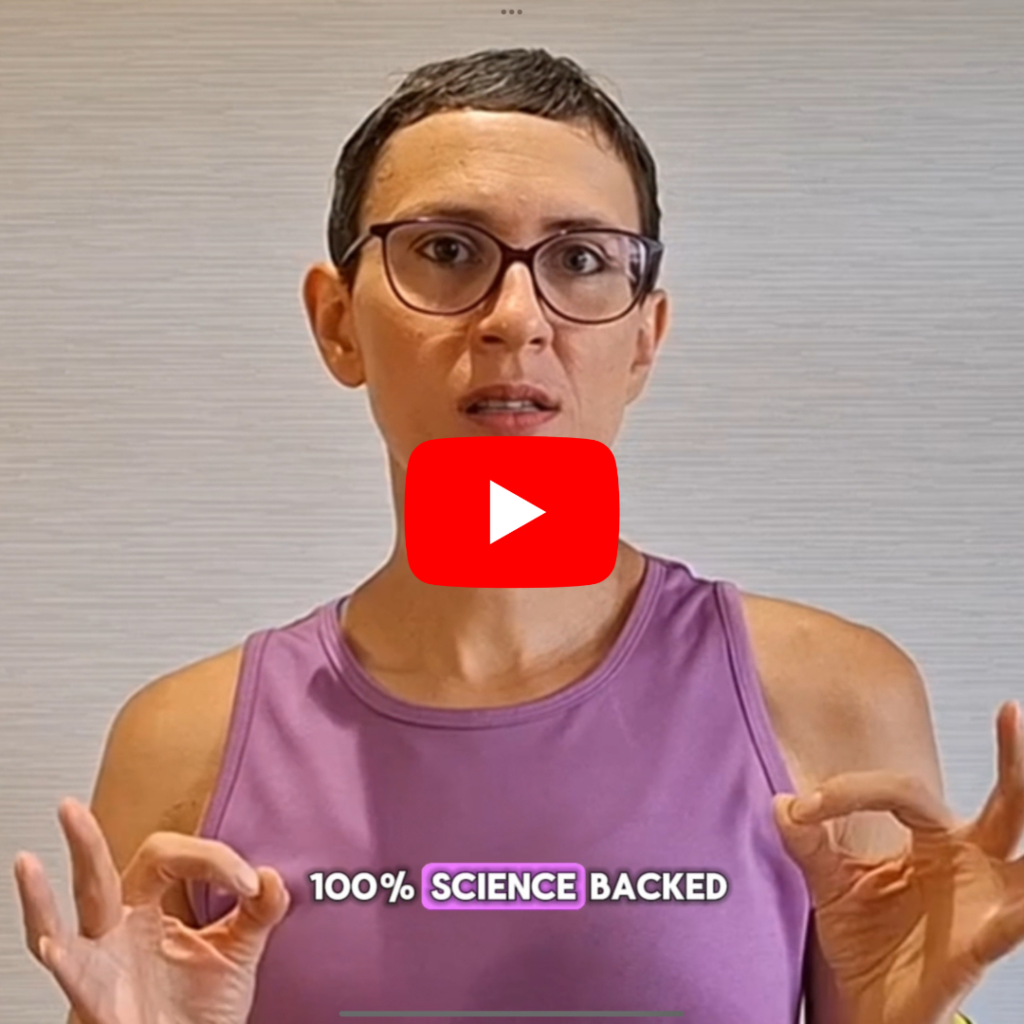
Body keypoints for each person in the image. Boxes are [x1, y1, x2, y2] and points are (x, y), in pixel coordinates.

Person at [12, 47, 1024, 1024]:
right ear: (337, 322)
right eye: (447, 251)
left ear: (644, 338)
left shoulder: (833, 699)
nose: (515, 317)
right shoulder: (182, 742)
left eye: (580, 260)